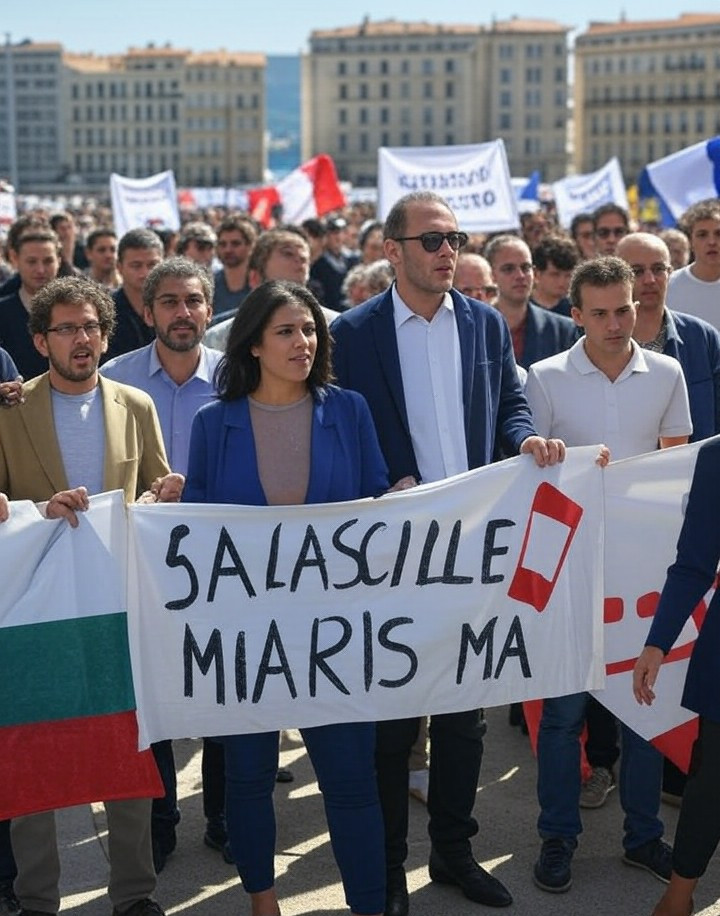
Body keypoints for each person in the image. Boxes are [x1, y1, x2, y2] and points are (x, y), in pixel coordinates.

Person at [331, 190, 566, 916]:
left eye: (454, 238)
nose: (445, 250)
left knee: (465, 718)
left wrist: (523, 439)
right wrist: (380, 480)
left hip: (472, 551)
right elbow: (338, 427)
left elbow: (508, 405)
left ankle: (453, 853)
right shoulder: (351, 332)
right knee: (395, 724)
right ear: (391, 250)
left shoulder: (487, 324)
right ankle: (390, 870)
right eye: (430, 239)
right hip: (392, 555)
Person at [184, 279, 390, 916]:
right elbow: (197, 528)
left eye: (309, 330)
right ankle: (263, 903)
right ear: (251, 345)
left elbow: (375, 503)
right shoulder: (213, 424)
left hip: (336, 632)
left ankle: (369, 905)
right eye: (286, 331)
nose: (303, 342)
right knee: (247, 780)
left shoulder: (349, 409)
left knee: (353, 782)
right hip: (247, 637)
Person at [0, 275, 183, 916]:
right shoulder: (9, 410)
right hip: (35, 611)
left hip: (116, 605)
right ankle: (36, 898)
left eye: (92, 328)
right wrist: (33, 511)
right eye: (68, 328)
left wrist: (165, 493)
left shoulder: (135, 404)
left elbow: (157, 484)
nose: (83, 340)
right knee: (35, 751)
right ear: (39, 339)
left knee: (126, 748)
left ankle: (134, 893)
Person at [525, 256, 692, 895]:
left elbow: (675, 468)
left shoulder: (668, 372)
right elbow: (532, 479)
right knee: (565, 716)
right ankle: (557, 836)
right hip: (571, 572)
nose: (617, 322)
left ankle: (643, 836)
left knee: (641, 711)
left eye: (624, 308)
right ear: (576, 316)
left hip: (644, 571)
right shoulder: (542, 379)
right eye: (600, 312)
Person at [101, 256, 223, 871]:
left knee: (228, 687)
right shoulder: (112, 381)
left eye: (194, 300)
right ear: (147, 312)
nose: (183, 312)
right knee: (156, 697)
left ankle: (225, 814)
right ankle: (162, 820)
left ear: (209, 308)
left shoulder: (240, 376)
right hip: (143, 571)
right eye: (169, 301)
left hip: (228, 566)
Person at [633, 436, 720, 916]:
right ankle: (680, 893)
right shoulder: (716, 459)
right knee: (711, 783)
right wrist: (656, 642)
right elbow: (693, 565)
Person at [485, 234, 578, 370]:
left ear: (534, 272)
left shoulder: (563, 330)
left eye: (525, 267)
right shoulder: (475, 328)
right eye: (509, 269)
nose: (520, 276)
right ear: (492, 276)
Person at [0, 227, 61, 379]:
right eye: (31, 261)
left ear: (59, 260)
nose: (40, 270)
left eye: (48, 261)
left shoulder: (78, 311)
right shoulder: (2, 312)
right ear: (15, 259)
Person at [105, 228, 164, 362]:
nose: (145, 273)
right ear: (119, 267)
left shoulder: (174, 308)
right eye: (136, 266)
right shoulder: (105, 312)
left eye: (152, 265)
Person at [666, 199, 720, 331]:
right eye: (702, 235)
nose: (712, 242)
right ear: (690, 242)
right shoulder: (669, 286)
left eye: (719, 234)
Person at [212, 215, 256, 318]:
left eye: (235, 244)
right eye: (223, 244)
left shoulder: (261, 283)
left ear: (250, 246)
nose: (228, 250)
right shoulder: (209, 285)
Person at [530, 235, 580, 316]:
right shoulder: (521, 309)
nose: (562, 282)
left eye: (568, 275)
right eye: (555, 275)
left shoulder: (578, 310)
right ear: (536, 274)